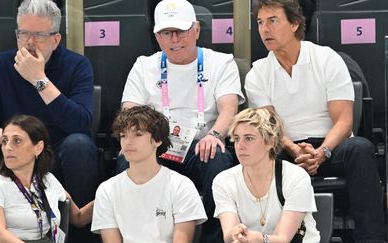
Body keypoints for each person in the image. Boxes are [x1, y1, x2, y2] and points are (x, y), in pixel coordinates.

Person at [0, 0, 100, 242]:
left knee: (80, 144)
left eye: (39, 36)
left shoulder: (77, 65)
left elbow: (81, 122)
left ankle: (78, 238)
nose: (30, 42)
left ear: (55, 40)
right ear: (16, 35)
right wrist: (9, 139)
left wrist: (39, 80)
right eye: (24, 34)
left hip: (54, 151)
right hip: (9, 154)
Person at [245, 0, 386, 242]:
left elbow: (344, 120)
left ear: (294, 24)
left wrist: (322, 152)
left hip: (332, 145)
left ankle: (372, 238)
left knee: (360, 148)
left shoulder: (326, 58)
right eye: (260, 22)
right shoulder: (257, 72)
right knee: (261, 153)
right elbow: (270, 126)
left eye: (272, 21)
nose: (264, 29)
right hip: (286, 147)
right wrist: (294, 149)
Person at [117, 0, 245, 241]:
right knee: (128, 158)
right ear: (157, 36)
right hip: (157, 145)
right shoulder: (144, 66)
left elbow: (229, 109)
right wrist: (145, 142)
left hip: (202, 144)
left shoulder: (221, 62)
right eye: (167, 33)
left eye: (181, 31)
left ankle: (214, 238)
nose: (174, 39)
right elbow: (129, 114)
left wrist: (214, 135)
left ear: (196, 30)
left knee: (217, 158)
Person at [91, 105, 207, 242]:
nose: (128, 142)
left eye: (138, 134)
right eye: (123, 135)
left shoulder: (181, 186)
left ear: (157, 140)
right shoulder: (106, 190)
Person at [0, 115, 93, 243]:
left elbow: (78, 218)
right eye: (4, 141)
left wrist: (108, 192)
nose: (8, 147)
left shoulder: (48, 180)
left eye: (17, 141)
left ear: (38, 147)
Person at [213, 108, 320, 243]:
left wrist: (260, 239)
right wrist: (236, 234)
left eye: (249, 138)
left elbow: (283, 239)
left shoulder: (296, 177)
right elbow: (228, 235)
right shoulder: (223, 181)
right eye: (236, 138)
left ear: (271, 142)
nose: (239, 146)